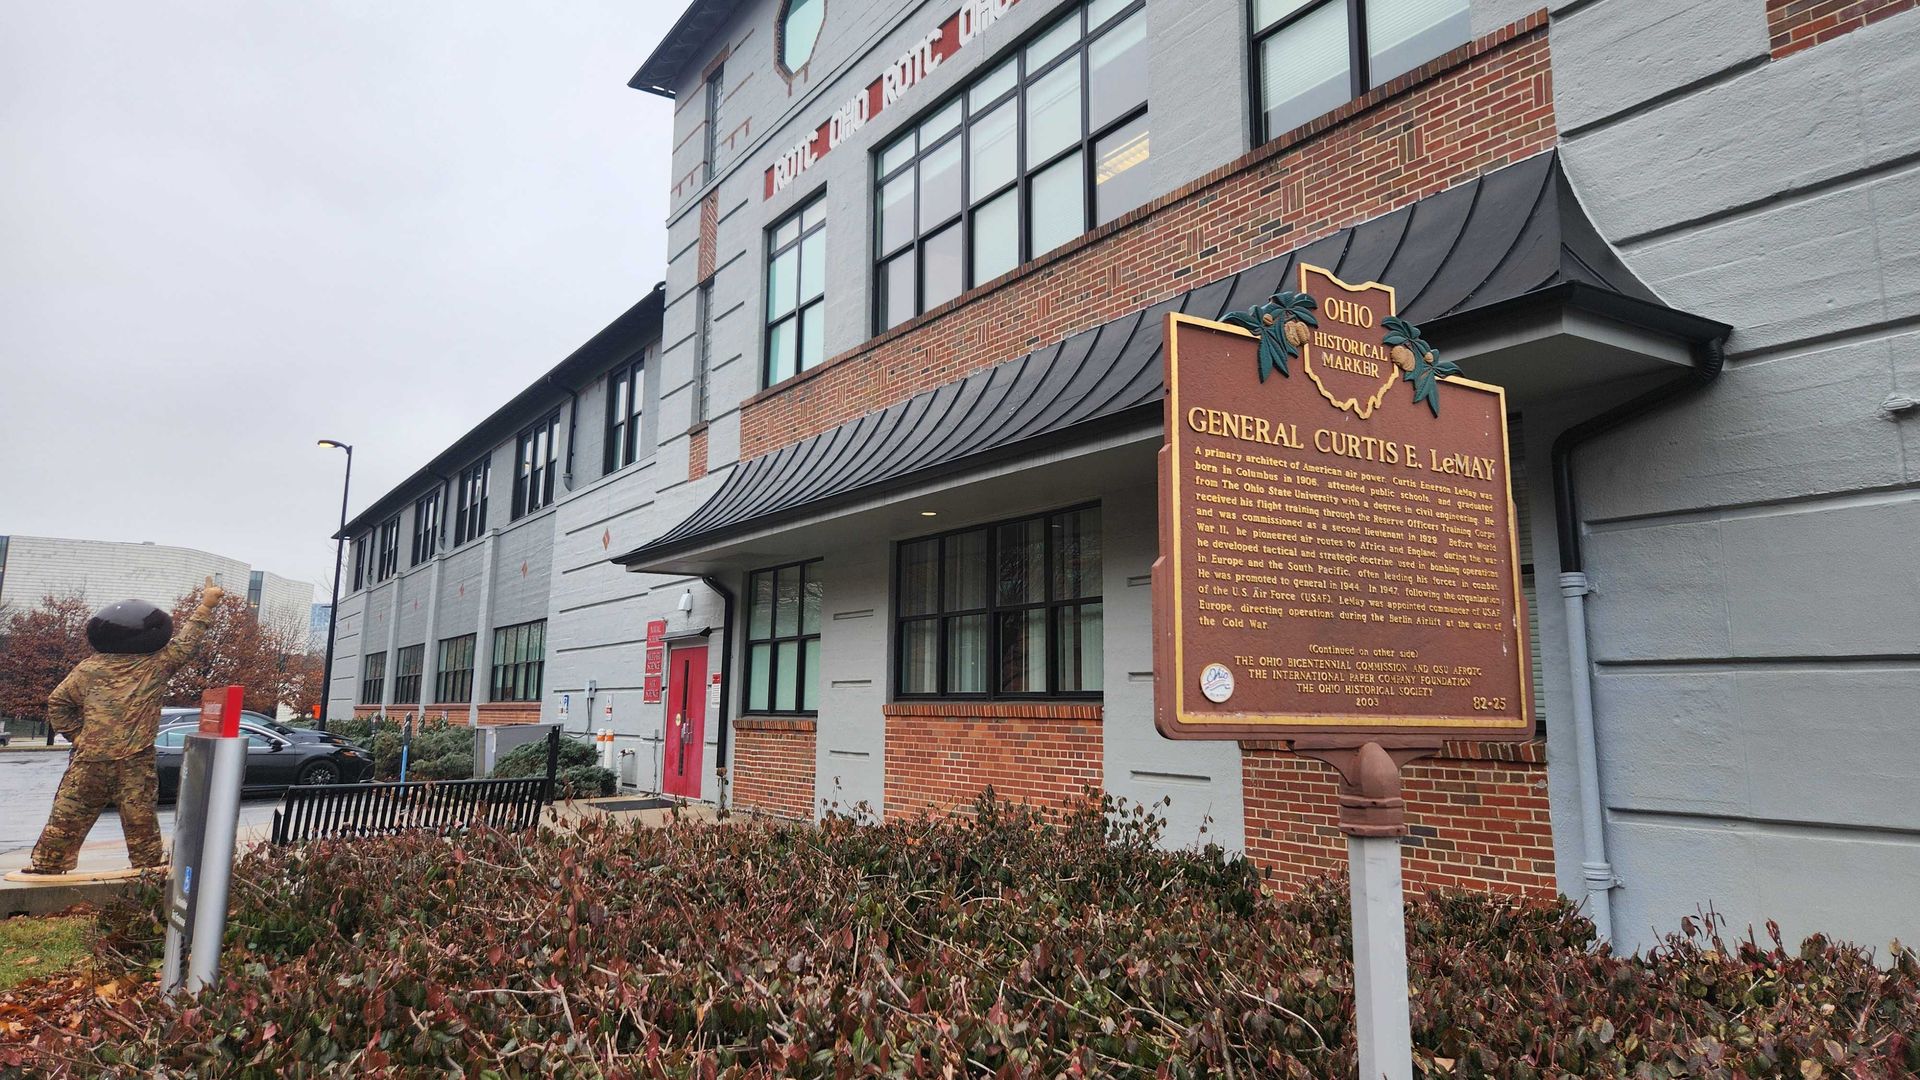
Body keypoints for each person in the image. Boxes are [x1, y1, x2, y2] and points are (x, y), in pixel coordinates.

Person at [18, 577, 224, 876]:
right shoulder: (152, 665)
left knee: (72, 814)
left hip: (99, 760)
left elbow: (59, 702)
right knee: (132, 818)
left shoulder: (93, 669)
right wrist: (205, 607)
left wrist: (77, 736)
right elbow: (185, 643)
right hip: (126, 761)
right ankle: (146, 870)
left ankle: (50, 865)